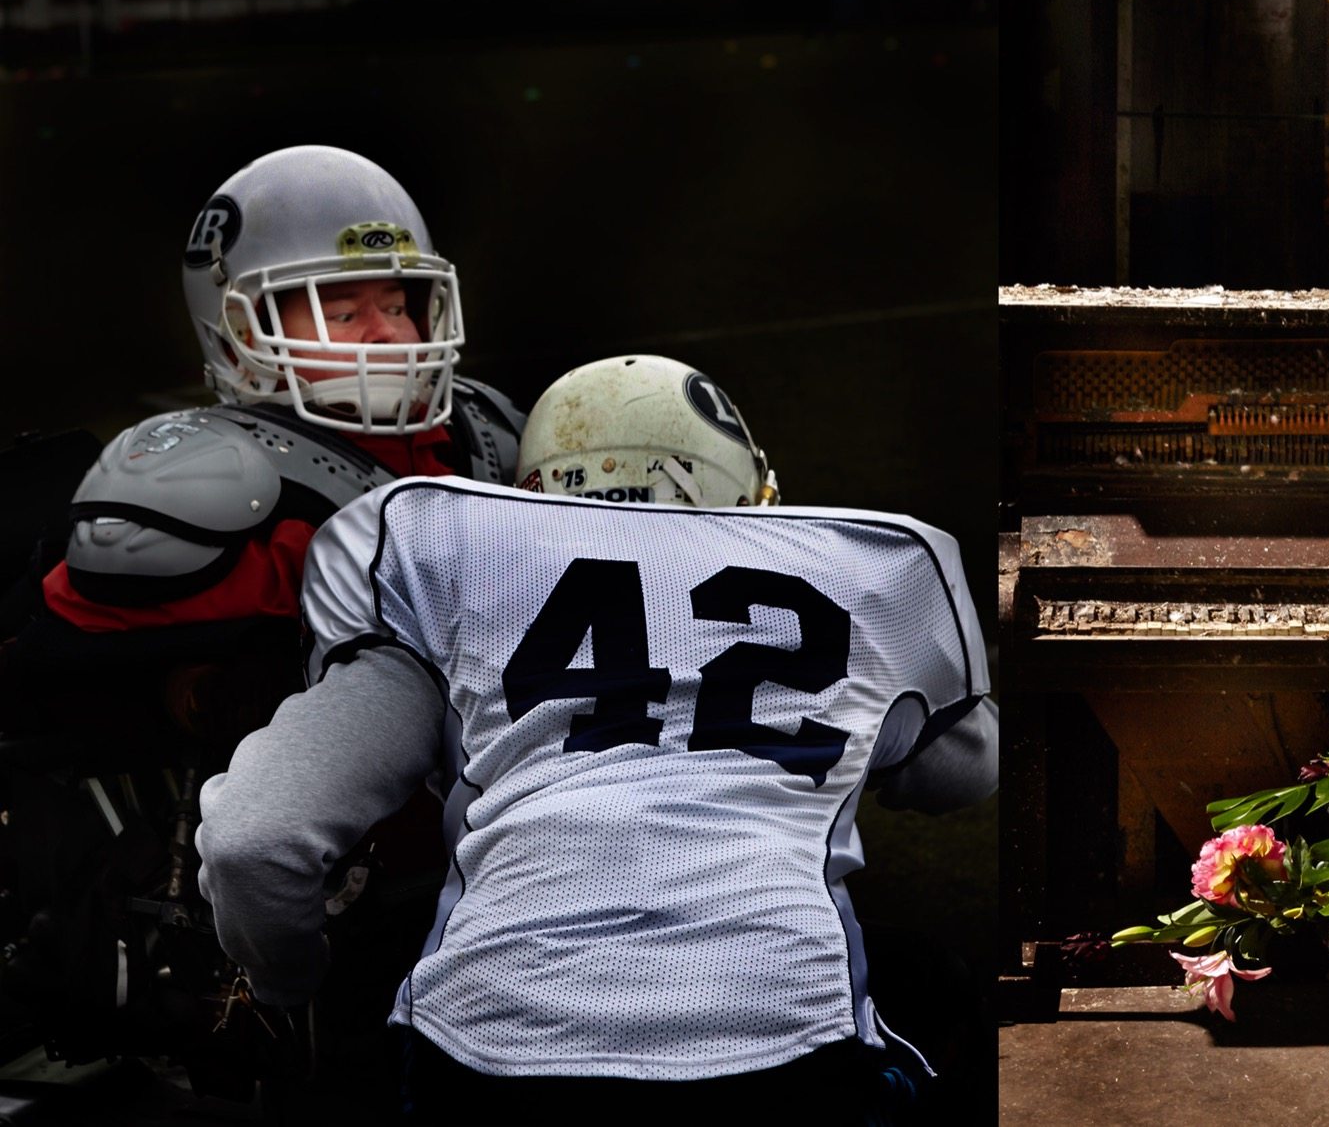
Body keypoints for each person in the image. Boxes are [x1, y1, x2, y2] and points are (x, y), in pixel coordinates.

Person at [195, 354, 998, 1125]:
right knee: (945, 1002)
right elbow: (966, 770)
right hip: (775, 1031)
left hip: (495, 1040)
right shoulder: (857, 575)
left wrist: (285, 986)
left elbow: (254, 841)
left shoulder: (452, 560)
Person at [0, 145, 526, 1103]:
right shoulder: (223, 479)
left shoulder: (490, 432)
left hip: (525, 854)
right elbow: (49, 675)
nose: (385, 332)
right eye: (340, 308)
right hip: (350, 897)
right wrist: (227, 689)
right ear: (238, 322)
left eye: (398, 302)